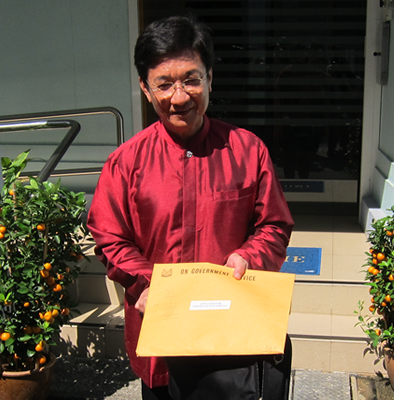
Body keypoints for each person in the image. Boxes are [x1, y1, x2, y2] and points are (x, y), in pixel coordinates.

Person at [87, 15, 294, 400]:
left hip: (231, 337)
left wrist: (249, 257)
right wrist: (148, 283)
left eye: (191, 79)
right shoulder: (126, 162)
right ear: (145, 89)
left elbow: (274, 226)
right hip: (161, 337)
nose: (179, 96)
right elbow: (110, 237)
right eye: (164, 83)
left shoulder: (248, 151)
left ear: (210, 79)